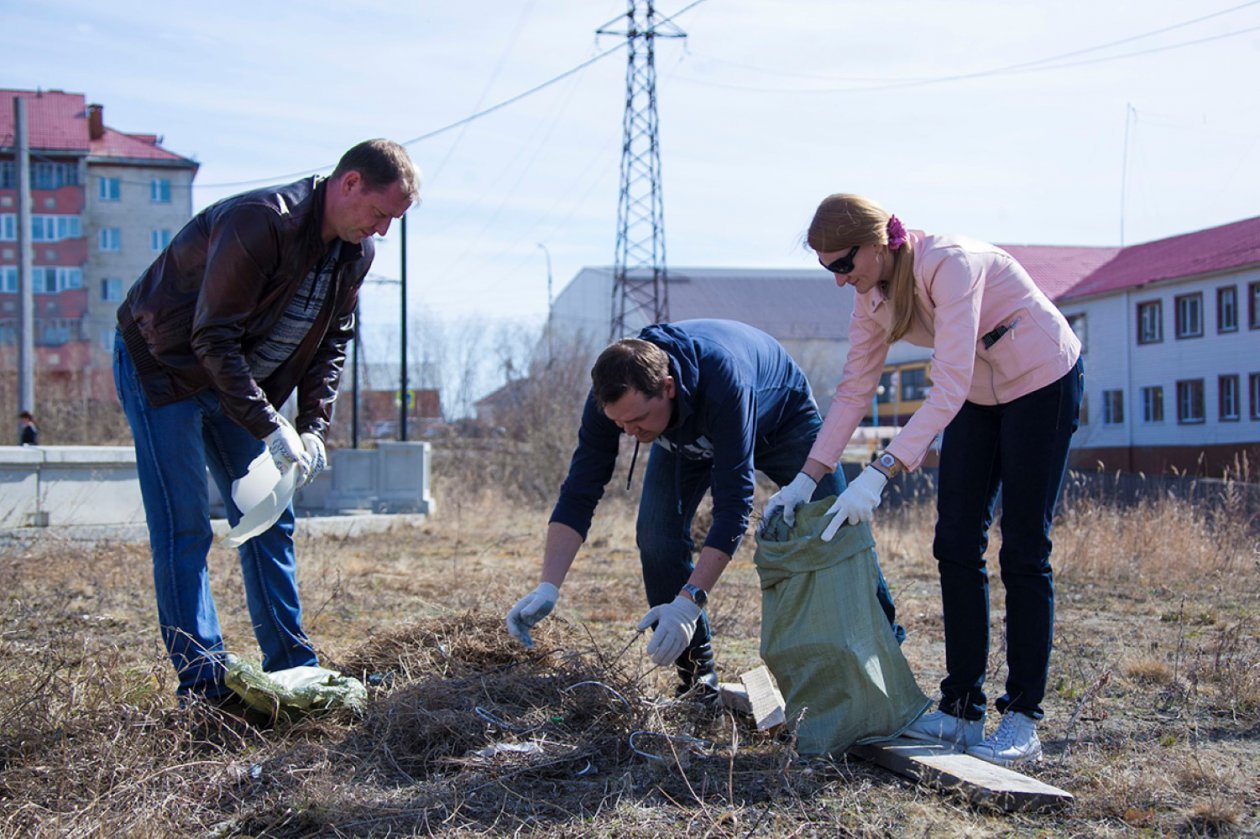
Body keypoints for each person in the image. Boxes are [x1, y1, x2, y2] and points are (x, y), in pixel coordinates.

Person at [765, 194, 1083, 766]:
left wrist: (882, 471)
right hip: (979, 393)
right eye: (828, 269)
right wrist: (806, 479)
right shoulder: (872, 297)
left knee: (1024, 548)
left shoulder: (950, 264)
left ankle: (1022, 718)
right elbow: (853, 392)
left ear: (877, 244)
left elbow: (948, 383)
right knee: (955, 541)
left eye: (843, 265)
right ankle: (961, 710)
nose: (840, 280)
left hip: (1042, 380)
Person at [113, 139, 420, 705]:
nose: (381, 231)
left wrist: (311, 426)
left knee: (269, 518)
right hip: (165, 368)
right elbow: (212, 336)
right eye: (380, 214)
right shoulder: (261, 223)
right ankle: (204, 685)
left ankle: (293, 667)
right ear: (349, 183)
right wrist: (267, 424)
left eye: (393, 221)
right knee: (185, 527)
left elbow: (333, 341)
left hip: (233, 385)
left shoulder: (355, 255)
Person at [505, 318, 901, 697]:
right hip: (685, 436)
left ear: (668, 387)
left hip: (779, 419)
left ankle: (887, 649)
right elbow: (580, 490)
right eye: (620, 424)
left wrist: (690, 600)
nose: (630, 434)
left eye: (638, 420)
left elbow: (733, 506)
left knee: (836, 524)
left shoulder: (723, 378)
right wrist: (548, 585)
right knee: (656, 537)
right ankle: (698, 679)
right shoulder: (617, 400)